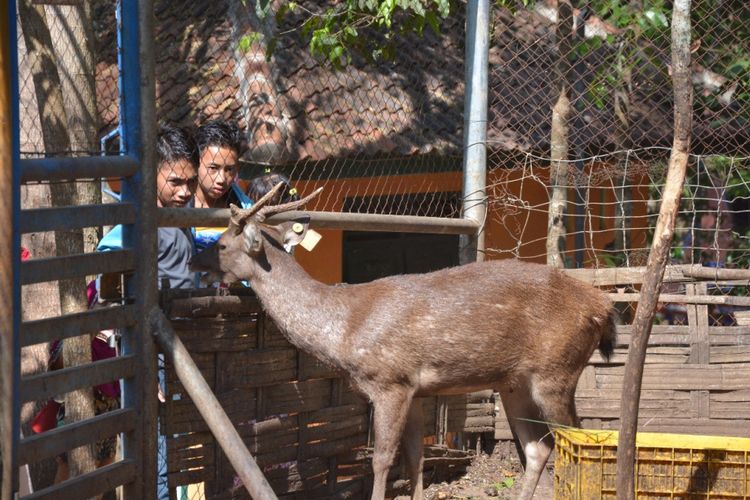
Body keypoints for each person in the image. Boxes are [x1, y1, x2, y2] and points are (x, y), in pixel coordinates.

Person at [96, 124, 200, 500]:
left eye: (190, 181)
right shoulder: (138, 224)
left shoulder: (180, 216)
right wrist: (143, 360)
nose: (185, 191)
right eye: (175, 181)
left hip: (185, 351)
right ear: (153, 173)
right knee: (158, 457)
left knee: (178, 455)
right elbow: (117, 287)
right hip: (152, 355)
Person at [192, 120, 252, 251]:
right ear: (196, 163)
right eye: (213, 168)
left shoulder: (246, 208)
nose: (221, 179)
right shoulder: (177, 205)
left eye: (229, 169)